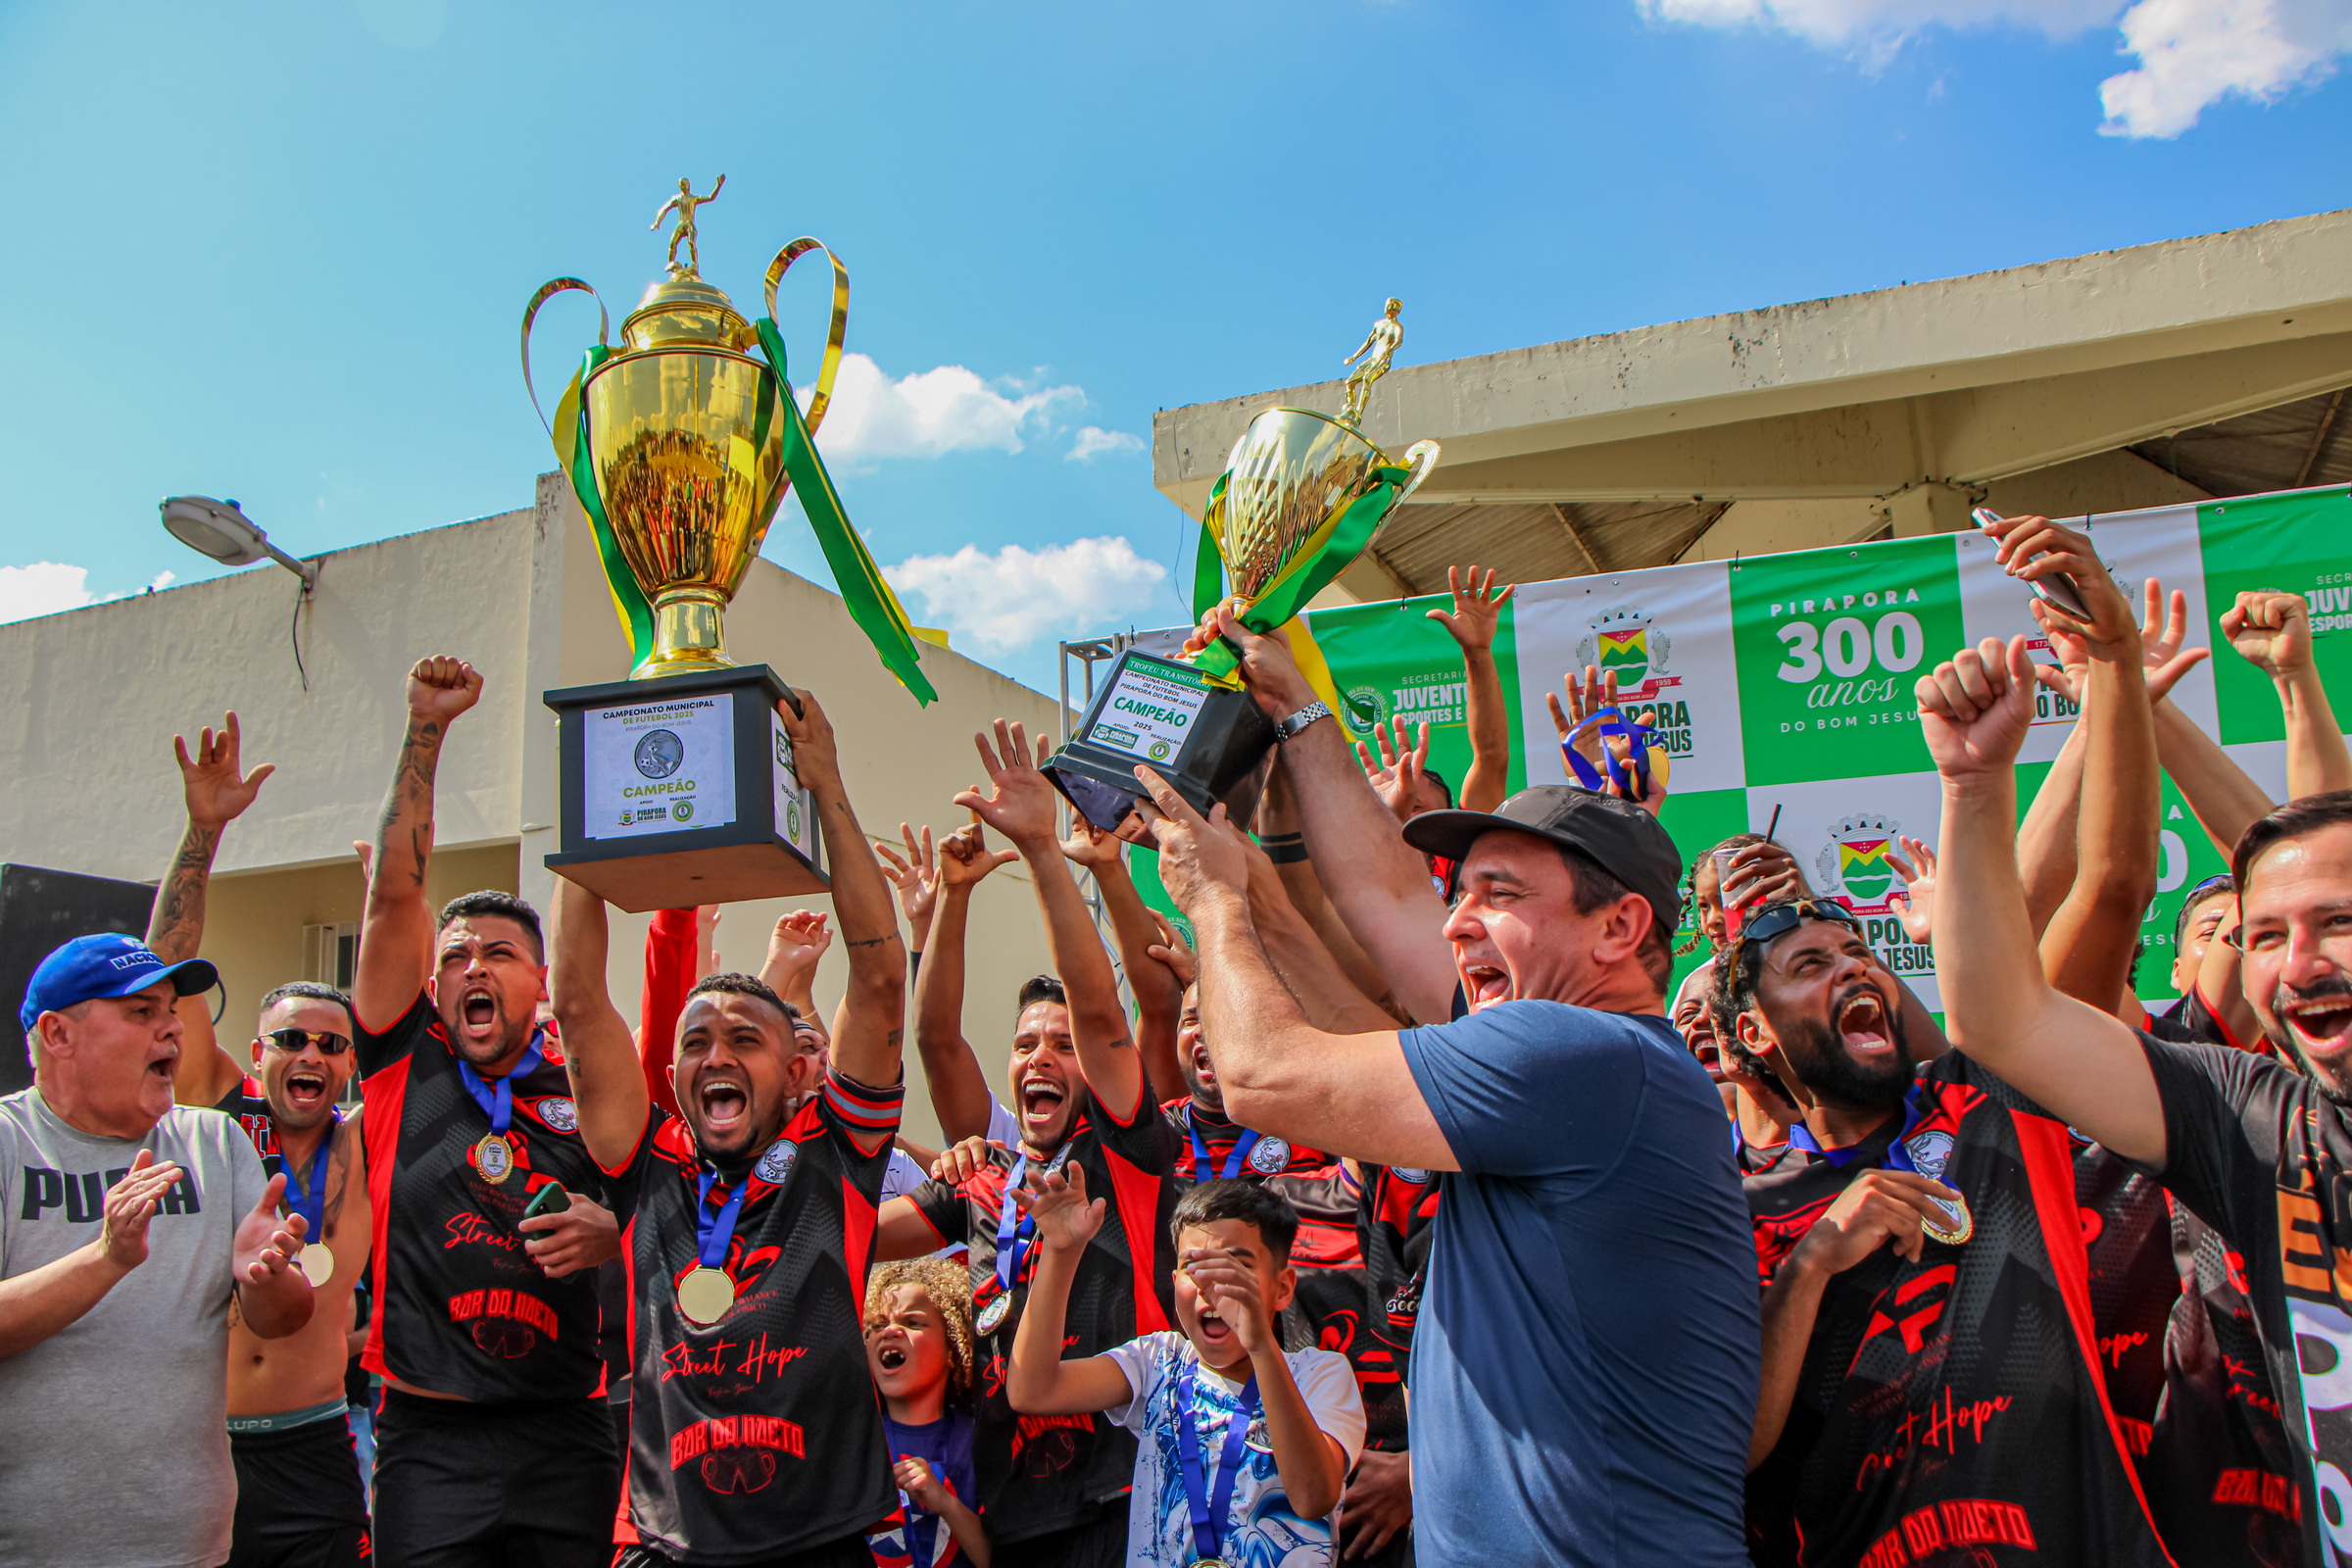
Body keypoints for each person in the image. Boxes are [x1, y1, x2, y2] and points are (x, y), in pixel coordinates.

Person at [1139, 604, 1758, 1567]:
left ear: (1619, 929)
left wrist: (1216, 901)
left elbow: (1265, 1073)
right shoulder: (1564, 1061)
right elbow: (1386, 901)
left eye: (1499, 896)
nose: (1458, 924)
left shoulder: (1583, 1058)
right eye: (1459, 893)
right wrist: (1294, 710)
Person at [1920, 564, 2352, 1562]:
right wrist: (1975, 786)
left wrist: (2257, 688)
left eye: (2335, 927)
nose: (2295, 965)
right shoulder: (2257, 1120)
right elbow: (2004, 1014)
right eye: (2261, 935)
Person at [551, 685, 910, 1567]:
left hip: (821, 1542)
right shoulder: (645, 1166)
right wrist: (592, 814)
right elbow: (577, 1000)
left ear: (795, 1074)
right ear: (671, 1075)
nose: (715, 1057)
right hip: (665, 1544)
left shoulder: (839, 1153)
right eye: (695, 1041)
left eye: (743, 1041)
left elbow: (877, 973)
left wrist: (824, 785)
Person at [1723, 895, 2175, 1565]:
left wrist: (1974, 786)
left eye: (1859, 954)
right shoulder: (1742, 1212)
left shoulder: (1991, 1097)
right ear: (1757, 1032)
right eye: (1811, 965)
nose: (1851, 971)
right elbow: (1732, 1450)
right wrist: (1810, 1265)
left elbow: (2114, 887)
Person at [878, 719, 1182, 1568]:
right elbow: (937, 1044)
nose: (1040, 1059)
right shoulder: (982, 1178)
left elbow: (1102, 1014)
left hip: (1124, 1486)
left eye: (1060, 1049)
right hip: (1004, 1501)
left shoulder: (1124, 1153)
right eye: (1022, 1047)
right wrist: (954, 901)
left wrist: (1045, 853)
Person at [350, 656, 621, 1568]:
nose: (473, 966)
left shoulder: (579, 1079)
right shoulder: (403, 1061)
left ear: (538, 983)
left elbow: (661, 1206)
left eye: (499, 954)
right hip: (431, 1440)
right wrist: (426, 729)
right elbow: (394, 895)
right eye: (457, 955)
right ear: (433, 984)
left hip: (568, 1434)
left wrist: (609, 1231)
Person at [0, 933, 314, 1568]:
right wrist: (105, 1259)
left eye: (171, 1009)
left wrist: (267, 1279)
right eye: (141, 1012)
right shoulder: (8, 1142)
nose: (171, 1029)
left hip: (185, 1543)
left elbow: (282, 1319)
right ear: (58, 1035)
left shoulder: (216, 1142)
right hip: (29, 1545)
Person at [1008, 1173, 1365, 1568]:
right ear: (1175, 1282)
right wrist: (1061, 1251)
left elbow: (1313, 1498)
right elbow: (1032, 1391)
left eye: (1235, 1266)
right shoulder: (1157, 1362)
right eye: (1194, 1267)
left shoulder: (1319, 1374)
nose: (1212, 1285)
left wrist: (1261, 1346)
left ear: (1281, 1288)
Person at [864, 1257, 990, 1568]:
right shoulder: (850, 1441)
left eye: (912, 1322)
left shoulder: (980, 1439)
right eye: (877, 1325)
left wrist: (945, 1501)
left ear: (953, 1347)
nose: (890, 1331)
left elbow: (994, 1558)